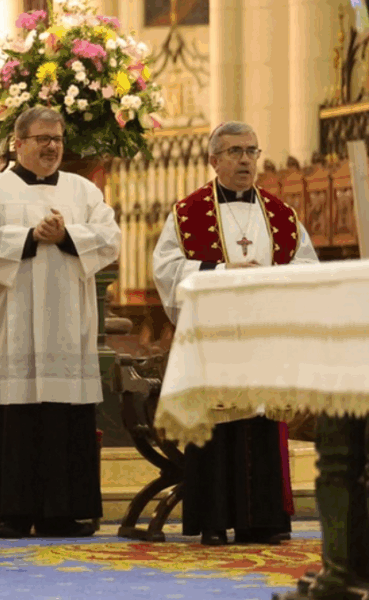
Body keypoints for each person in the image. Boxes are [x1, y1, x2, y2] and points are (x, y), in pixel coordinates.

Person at [152, 121, 318, 546]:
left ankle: (263, 520)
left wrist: (272, 277)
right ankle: (214, 519)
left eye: (251, 151)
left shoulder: (282, 215)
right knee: (219, 424)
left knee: (263, 425)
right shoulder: (187, 214)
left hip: (265, 338)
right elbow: (167, 269)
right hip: (215, 340)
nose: (245, 160)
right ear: (214, 160)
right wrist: (223, 271)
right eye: (235, 152)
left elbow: (307, 267)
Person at [0, 106, 121, 539]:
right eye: (42, 139)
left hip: (68, 325)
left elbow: (110, 239)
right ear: (18, 143)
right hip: (9, 327)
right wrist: (30, 235)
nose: (52, 146)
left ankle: (64, 513)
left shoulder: (82, 190)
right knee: (16, 420)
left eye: (57, 139)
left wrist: (67, 234)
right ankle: (11, 513)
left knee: (64, 419)